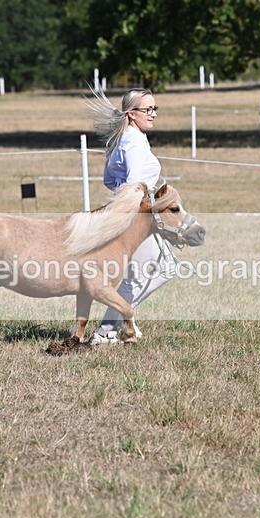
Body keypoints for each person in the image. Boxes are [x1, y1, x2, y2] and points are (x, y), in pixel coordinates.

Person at [85, 88, 176, 344]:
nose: (153, 114)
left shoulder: (127, 138)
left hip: (131, 215)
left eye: (155, 109)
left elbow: (109, 180)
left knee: (140, 275)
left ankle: (118, 325)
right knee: (162, 270)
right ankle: (108, 330)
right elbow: (134, 184)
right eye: (148, 110)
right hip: (137, 218)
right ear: (131, 114)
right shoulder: (133, 142)